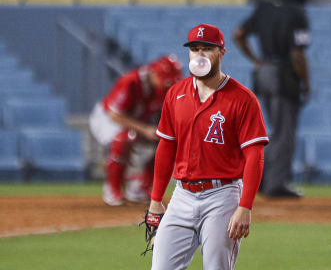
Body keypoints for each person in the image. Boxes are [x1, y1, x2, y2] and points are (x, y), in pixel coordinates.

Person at [143, 23, 269, 269]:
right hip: (182, 195)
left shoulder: (243, 99)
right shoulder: (176, 93)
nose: (199, 55)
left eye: (207, 49)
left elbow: (255, 155)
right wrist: (156, 199)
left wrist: (245, 206)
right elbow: (166, 148)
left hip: (222, 196)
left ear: (221, 52)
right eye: (194, 49)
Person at [233, 0, 311, 198]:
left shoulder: (264, 8)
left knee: (272, 129)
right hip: (283, 73)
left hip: (264, 71)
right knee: (284, 131)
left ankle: (264, 180)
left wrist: (256, 60)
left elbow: (238, 34)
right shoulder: (297, 12)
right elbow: (297, 54)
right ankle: (275, 184)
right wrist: (305, 81)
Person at [89, 55, 183, 206]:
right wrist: (144, 129)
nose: (168, 84)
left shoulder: (163, 91)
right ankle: (112, 189)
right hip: (106, 118)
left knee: (167, 142)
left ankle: (139, 188)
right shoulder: (131, 81)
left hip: (136, 122)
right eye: (165, 79)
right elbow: (115, 114)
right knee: (124, 138)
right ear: (153, 73)